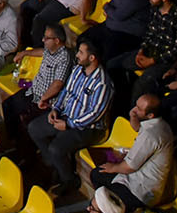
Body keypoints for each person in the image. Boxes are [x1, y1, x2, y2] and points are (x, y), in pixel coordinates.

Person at [26, 38, 113, 196]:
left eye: (81, 52)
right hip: (66, 116)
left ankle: (69, 180)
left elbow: (94, 114)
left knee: (56, 148)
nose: (77, 55)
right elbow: (66, 91)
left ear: (92, 58)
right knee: (34, 128)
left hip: (88, 128)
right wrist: (56, 109)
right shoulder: (78, 69)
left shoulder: (102, 84)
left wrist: (69, 124)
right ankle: (53, 164)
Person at [88, 93, 174, 211]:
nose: (134, 109)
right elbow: (138, 129)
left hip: (141, 189)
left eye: (138, 109)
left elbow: (129, 167)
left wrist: (112, 167)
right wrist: (133, 116)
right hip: (134, 176)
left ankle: (113, 212)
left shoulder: (151, 134)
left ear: (150, 115)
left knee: (106, 198)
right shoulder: (158, 123)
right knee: (97, 174)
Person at [0, 23, 75, 132]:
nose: (43, 40)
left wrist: (44, 98)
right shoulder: (51, 50)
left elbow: (58, 84)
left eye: (46, 38)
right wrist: (24, 53)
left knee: (24, 118)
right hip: (33, 88)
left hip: (44, 99)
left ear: (57, 41)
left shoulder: (64, 57)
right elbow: (41, 52)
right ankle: (12, 138)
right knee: (7, 103)